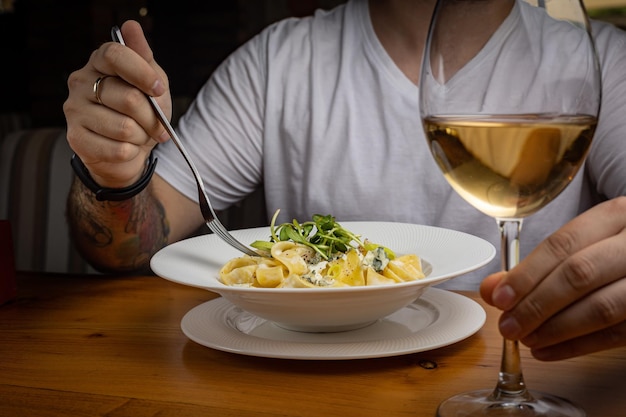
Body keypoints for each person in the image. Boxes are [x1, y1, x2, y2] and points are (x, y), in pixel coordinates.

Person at [63, 0, 626, 361]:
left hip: (541, 360)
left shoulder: (602, 61)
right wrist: (112, 177)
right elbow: (131, 247)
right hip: (295, 379)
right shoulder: (277, 61)